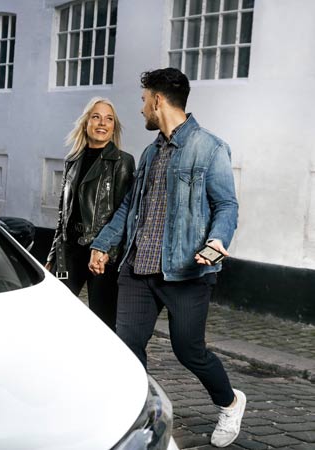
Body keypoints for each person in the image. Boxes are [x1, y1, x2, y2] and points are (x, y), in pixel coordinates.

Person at [88, 68, 245, 448]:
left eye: (144, 101)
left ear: (158, 100)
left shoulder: (210, 147)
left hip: (186, 272)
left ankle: (229, 402)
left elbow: (226, 205)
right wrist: (103, 243)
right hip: (137, 269)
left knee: (189, 350)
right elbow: (129, 206)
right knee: (127, 346)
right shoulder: (150, 152)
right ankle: (138, 415)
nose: (141, 108)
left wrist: (217, 241)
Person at [45, 97, 135, 331]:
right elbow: (63, 213)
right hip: (69, 250)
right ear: (86, 123)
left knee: (103, 321)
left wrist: (108, 252)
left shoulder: (122, 162)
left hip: (103, 254)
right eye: (96, 117)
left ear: (114, 127)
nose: (102, 123)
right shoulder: (72, 160)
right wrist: (53, 255)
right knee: (53, 312)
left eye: (109, 119)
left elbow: (124, 214)